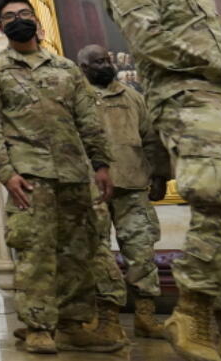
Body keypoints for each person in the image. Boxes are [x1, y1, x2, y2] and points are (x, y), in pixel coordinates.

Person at [102, 0, 221, 361]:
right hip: (185, 96)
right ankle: (194, 308)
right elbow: (150, 42)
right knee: (219, 190)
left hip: (220, 96)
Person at [0, 0, 120, 354]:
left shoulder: (66, 69)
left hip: (73, 176)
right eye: (9, 17)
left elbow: (88, 120)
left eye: (24, 14)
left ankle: (72, 324)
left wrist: (100, 165)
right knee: (36, 256)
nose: (17, 19)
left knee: (77, 254)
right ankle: (38, 326)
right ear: (0, 27)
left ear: (37, 21)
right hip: (29, 179)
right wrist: (5, 173)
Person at [76, 44, 167, 340]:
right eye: (96, 62)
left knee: (141, 252)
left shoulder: (133, 97)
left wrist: (160, 176)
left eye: (106, 60)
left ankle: (145, 315)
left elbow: (151, 137)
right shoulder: (76, 99)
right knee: (96, 254)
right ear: (83, 68)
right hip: (91, 191)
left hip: (132, 186)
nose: (105, 65)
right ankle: (106, 317)